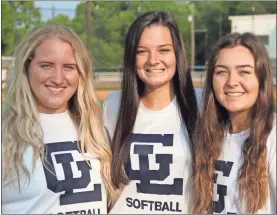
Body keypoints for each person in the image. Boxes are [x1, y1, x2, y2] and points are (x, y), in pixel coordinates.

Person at [2, 24, 116, 214]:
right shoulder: (6, 134)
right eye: (46, 65)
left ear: (81, 73)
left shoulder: (96, 128)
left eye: (69, 67)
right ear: (26, 68)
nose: (58, 78)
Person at [103, 11, 202, 214]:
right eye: (141, 51)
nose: (153, 60)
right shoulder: (114, 105)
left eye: (163, 50)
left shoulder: (200, 103)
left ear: (177, 53)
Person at [193, 32, 276, 214]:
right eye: (222, 72)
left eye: (244, 72)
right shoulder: (209, 135)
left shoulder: (272, 137)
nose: (231, 82)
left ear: (262, 79)